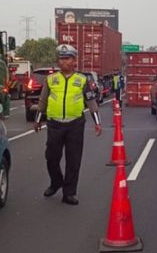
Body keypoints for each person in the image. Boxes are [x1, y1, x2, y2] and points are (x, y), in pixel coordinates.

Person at [34, 44, 102, 205]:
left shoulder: (82, 80)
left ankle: (69, 193)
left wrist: (97, 123)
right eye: (61, 59)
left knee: (73, 160)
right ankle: (56, 181)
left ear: (74, 61)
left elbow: (91, 101)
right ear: (58, 61)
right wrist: (37, 120)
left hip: (75, 125)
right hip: (54, 124)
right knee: (51, 156)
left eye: (67, 58)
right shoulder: (51, 79)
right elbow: (42, 102)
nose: (64, 62)